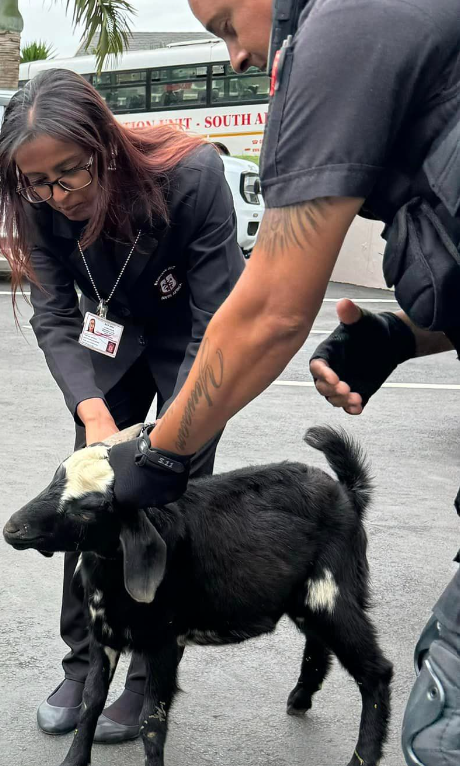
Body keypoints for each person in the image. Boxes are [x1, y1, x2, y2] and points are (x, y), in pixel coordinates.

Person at [100, 1, 459, 763]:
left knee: (443, 725)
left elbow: (268, 307)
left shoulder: (344, 23)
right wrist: (404, 337)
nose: (233, 56)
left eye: (227, 23)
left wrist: (161, 456)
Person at [0, 68, 245, 743]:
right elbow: (53, 318)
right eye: (38, 182)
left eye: (69, 174)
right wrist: (93, 417)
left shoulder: (190, 175)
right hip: (113, 344)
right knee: (90, 504)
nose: (57, 194)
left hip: (196, 350)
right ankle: (83, 664)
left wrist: (172, 434)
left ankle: (146, 682)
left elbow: (218, 318)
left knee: (166, 508)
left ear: (103, 145)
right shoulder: (38, 200)